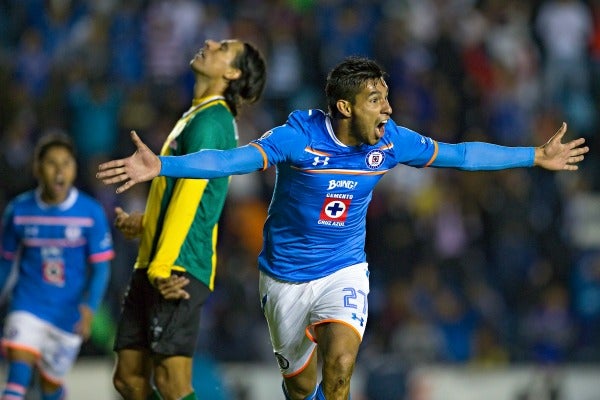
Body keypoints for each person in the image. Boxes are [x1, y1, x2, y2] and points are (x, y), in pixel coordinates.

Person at [97, 56, 589, 400]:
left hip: (344, 270)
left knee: (340, 368)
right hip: (285, 278)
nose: (389, 110)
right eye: (377, 100)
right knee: (300, 386)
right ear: (346, 107)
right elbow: (230, 159)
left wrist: (534, 155)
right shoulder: (297, 138)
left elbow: (460, 154)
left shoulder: (391, 141)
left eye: (388, 98)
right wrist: (163, 167)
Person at [108, 39, 266, 400]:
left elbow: (191, 198)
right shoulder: (193, 116)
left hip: (178, 265)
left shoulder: (213, 120)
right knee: (128, 379)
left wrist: (164, 265)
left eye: (223, 47)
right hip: (156, 260)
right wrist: (146, 222)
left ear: (232, 73)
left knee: (171, 383)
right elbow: (180, 197)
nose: (209, 43)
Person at [0, 132, 114, 400]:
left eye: (66, 163)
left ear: (74, 169)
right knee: (18, 374)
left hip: (67, 314)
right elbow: (5, 263)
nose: (59, 170)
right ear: (38, 168)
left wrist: (90, 308)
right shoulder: (18, 211)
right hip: (27, 305)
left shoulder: (90, 213)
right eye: (52, 163)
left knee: (50, 387)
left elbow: (101, 268)